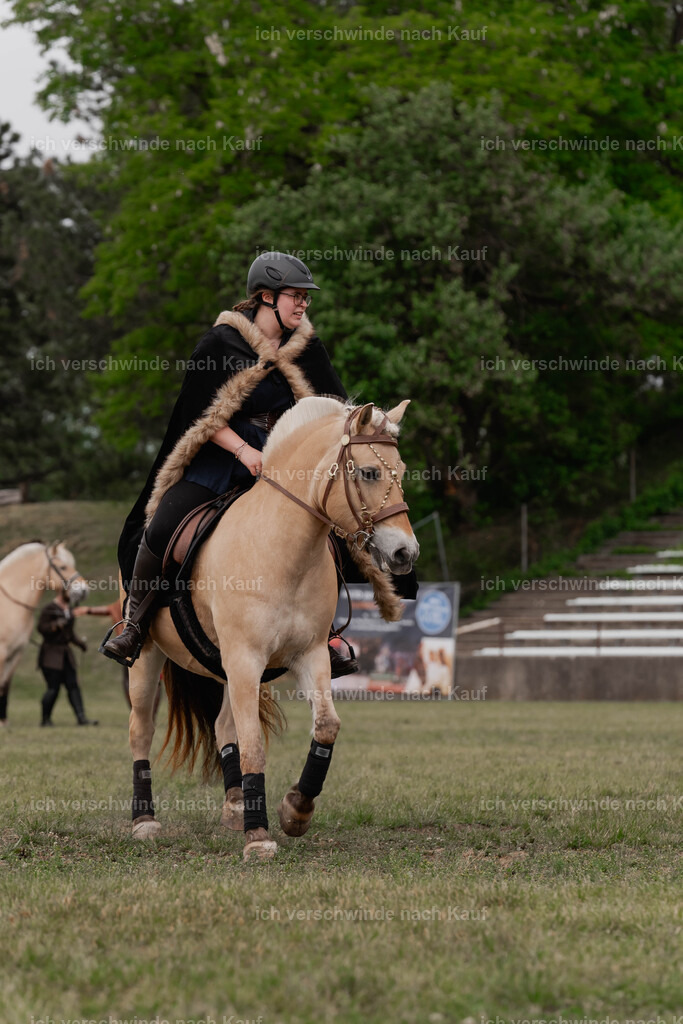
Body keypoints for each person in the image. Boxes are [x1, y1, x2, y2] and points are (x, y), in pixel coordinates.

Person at [102, 252, 415, 674]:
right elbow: (201, 415)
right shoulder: (219, 344)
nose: (303, 305)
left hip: (284, 461)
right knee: (162, 526)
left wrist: (372, 424)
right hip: (221, 458)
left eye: (306, 298)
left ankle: (327, 634)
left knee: (332, 528)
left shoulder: (308, 348)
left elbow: (339, 409)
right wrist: (244, 451)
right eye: (295, 296)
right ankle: (133, 625)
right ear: (266, 297)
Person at [38, 588, 98, 726]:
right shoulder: (49, 608)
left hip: (65, 655)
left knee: (73, 686)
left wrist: (80, 644)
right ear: (61, 592)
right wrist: (56, 624)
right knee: (53, 688)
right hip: (51, 655)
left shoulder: (69, 609)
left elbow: (69, 634)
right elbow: (41, 628)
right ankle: (45, 719)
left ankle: (81, 718)